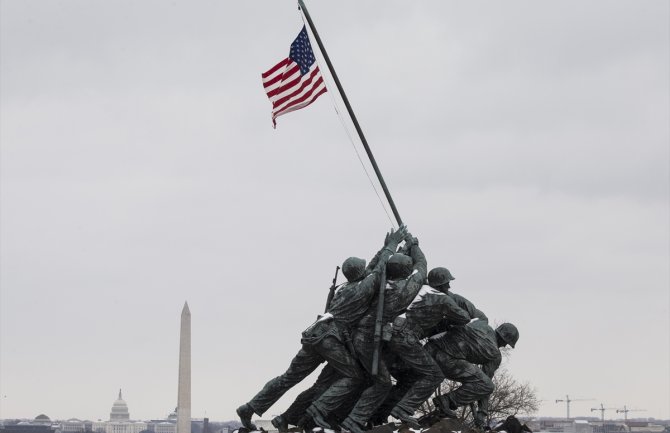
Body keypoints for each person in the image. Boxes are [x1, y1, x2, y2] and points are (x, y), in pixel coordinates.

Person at [236, 227, 407, 430]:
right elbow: (378, 271)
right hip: (331, 339)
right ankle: (318, 411)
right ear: (359, 273)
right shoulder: (362, 288)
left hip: (315, 333)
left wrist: (384, 248)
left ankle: (250, 407)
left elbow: (371, 269)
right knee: (354, 376)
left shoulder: (346, 286)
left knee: (289, 377)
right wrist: (391, 245)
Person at [339, 234, 429, 433]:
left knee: (377, 379)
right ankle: (352, 422)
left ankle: (357, 418)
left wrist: (393, 247)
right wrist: (414, 246)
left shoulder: (378, 283)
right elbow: (422, 266)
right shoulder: (406, 287)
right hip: (369, 339)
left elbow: (373, 268)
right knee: (382, 383)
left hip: (360, 336)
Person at [426, 321, 519, 428]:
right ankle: (447, 400)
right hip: (447, 359)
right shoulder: (495, 354)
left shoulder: (481, 324)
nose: (504, 345)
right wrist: (482, 412)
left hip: (431, 348)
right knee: (487, 385)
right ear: (504, 339)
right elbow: (485, 384)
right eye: (506, 343)